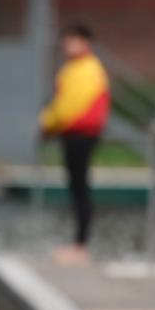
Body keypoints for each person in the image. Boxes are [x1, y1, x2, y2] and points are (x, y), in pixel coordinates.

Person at [38, 24, 110, 265]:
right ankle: (79, 243)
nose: (67, 45)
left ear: (85, 42)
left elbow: (69, 107)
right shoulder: (74, 69)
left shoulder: (87, 70)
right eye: (67, 40)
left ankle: (81, 245)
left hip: (82, 135)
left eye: (72, 40)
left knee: (80, 188)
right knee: (77, 187)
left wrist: (46, 123)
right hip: (73, 134)